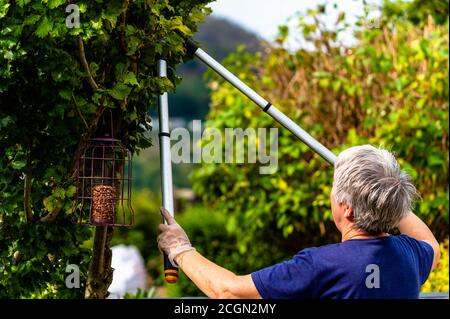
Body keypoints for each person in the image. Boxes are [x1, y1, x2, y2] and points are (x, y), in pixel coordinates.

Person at [157, 145, 440, 299]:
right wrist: (383, 190)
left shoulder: (320, 265)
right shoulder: (410, 255)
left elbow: (228, 291)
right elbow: (431, 245)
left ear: (347, 210)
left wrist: (180, 249)